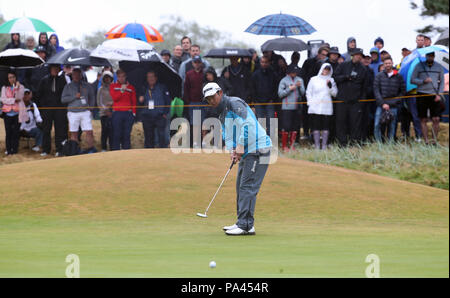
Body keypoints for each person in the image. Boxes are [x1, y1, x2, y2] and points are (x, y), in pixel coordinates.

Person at [203, 82, 272, 236]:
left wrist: (240, 146)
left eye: (212, 97)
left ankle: (245, 225)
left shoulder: (235, 103)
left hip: (259, 148)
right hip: (247, 151)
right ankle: (244, 222)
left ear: (220, 93)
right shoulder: (221, 112)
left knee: (247, 187)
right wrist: (233, 150)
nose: (211, 101)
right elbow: (227, 134)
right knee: (240, 186)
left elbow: (247, 124)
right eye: (208, 99)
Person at [334, 48, 369, 146]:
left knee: (355, 123)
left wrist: (361, 102)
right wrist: (346, 77)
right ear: (353, 55)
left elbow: (364, 87)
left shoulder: (363, 69)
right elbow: (335, 78)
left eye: (360, 56)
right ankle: (342, 143)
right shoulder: (343, 65)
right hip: (342, 100)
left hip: (356, 102)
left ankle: (355, 143)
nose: (359, 57)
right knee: (341, 122)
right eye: (357, 55)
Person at [411, 51, 445, 145]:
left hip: (434, 95)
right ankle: (426, 141)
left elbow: (442, 82)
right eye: (428, 56)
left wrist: (439, 94)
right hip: (422, 95)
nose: (430, 58)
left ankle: (434, 141)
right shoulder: (419, 66)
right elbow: (412, 80)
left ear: (434, 56)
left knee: (436, 119)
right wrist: (423, 81)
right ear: (426, 56)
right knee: (423, 119)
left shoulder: (439, 66)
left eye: (432, 56)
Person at [61, 67, 96, 153]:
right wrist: (74, 97)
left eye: (78, 74)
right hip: (73, 113)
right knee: (74, 133)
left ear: (81, 75)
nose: (76, 76)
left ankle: (91, 149)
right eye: (74, 74)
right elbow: (63, 99)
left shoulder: (87, 85)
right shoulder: (68, 86)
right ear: (72, 75)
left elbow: (92, 96)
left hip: (85, 112)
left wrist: (91, 108)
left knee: (89, 131)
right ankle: (74, 150)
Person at [35, 64, 68, 157]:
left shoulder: (62, 80)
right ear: (50, 69)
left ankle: (59, 149)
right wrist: (42, 108)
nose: (55, 70)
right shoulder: (44, 80)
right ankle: (46, 149)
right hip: (47, 110)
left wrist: (63, 108)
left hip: (59, 110)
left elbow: (65, 95)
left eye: (57, 69)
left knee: (59, 130)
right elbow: (38, 96)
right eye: (53, 69)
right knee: (46, 130)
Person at [305, 63, 338, 150]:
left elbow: (335, 93)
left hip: (326, 107)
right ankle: (316, 145)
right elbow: (308, 92)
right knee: (315, 126)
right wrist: (310, 103)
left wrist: (330, 86)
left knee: (325, 126)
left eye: (328, 70)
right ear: (321, 69)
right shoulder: (313, 79)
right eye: (324, 69)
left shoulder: (331, 80)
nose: (326, 71)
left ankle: (324, 145)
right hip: (314, 106)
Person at [373, 57, 406, 142]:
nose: (388, 65)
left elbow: (402, 92)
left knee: (392, 126)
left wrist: (393, 102)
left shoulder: (398, 76)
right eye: (386, 63)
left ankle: (390, 143)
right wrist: (382, 103)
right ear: (383, 65)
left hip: (393, 105)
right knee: (377, 124)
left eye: (389, 63)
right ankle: (378, 143)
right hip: (381, 105)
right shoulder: (379, 76)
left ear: (392, 63)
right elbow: (376, 90)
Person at [300, 46, 329, 140]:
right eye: (323, 54)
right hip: (308, 91)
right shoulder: (308, 62)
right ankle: (305, 132)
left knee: (317, 115)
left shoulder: (326, 65)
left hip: (320, 94)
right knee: (306, 113)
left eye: (326, 55)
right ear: (318, 54)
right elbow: (303, 76)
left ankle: (315, 134)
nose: (324, 57)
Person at [139, 71, 171, 149]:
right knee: (149, 139)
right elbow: (139, 103)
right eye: (149, 77)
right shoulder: (143, 88)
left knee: (162, 137)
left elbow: (168, 101)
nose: (151, 79)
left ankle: (163, 155)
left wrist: (164, 113)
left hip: (160, 116)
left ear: (156, 78)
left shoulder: (162, 87)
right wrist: (140, 100)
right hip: (147, 116)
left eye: (152, 76)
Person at [278, 65, 305, 151]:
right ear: (289, 72)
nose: (294, 73)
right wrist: (290, 88)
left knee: (295, 126)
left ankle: (292, 145)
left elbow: (303, 92)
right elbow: (280, 94)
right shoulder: (284, 80)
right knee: (286, 126)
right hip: (287, 107)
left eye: (296, 72)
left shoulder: (300, 80)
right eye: (293, 72)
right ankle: (284, 146)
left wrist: (300, 86)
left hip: (297, 106)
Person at [250, 56, 279, 136]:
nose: (264, 64)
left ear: (269, 63)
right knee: (260, 122)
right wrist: (255, 100)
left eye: (266, 62)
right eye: (262, 62)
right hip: (258, 102)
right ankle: (262, 140)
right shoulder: (255, 74)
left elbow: (276, 88)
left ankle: (272, 140)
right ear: (260, 63)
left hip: (270, 102)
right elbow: (252, 88)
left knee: (271, 121)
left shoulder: (273, 74)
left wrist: (272, 98)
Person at [109, 69, 137, 150]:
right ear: (117, 77)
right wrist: (122, 90)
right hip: (117, 113)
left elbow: (134, 101)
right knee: (116, 134)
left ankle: (126, 152)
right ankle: (116, 152)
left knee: (127, 134)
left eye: (123, 76)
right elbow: (115, 98)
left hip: (128, 114)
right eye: (119, 76)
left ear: (125, 77)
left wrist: (134, 113)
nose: (121, 78)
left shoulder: (131, 87)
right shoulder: (113, 86)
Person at [184, 56, 206, 147]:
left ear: (201, 63)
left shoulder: (204, 74)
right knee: (195, 123)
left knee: (204, 122)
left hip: (203, 102)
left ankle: (204, 142)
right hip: (193, 102)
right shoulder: (189, 74)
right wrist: (188, 101)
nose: (197, 64)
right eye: (195, 62)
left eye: (198, 62)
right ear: (192, 63)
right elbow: (186, 88)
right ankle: (196, 142)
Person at [1, 70, 25, 155]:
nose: (12, 79)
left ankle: (15, 150)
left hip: (17, 113)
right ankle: (8, 149)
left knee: (15, 132)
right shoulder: (4, 87)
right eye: (10, 78)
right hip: (7, 113)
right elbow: (3, 99)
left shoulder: (21, 86)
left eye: (13, 77)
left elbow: (20, 97)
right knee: (8, 132)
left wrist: (16, 88)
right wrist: (13, 100)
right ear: (7, 79)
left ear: (16, 77)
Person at [97, 71, 114, 151]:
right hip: (103, 114)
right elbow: (99, 102)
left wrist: (111, 106)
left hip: (113, 113)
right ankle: (103, 147)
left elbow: (116, 99)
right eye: (105, 78)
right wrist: (105, 110)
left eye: (109, 78)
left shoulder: (114, 88)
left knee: (112, 131)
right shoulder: (100, 89)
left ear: (111, 79)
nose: (107, 79)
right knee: (104, 131)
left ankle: (112, 147)